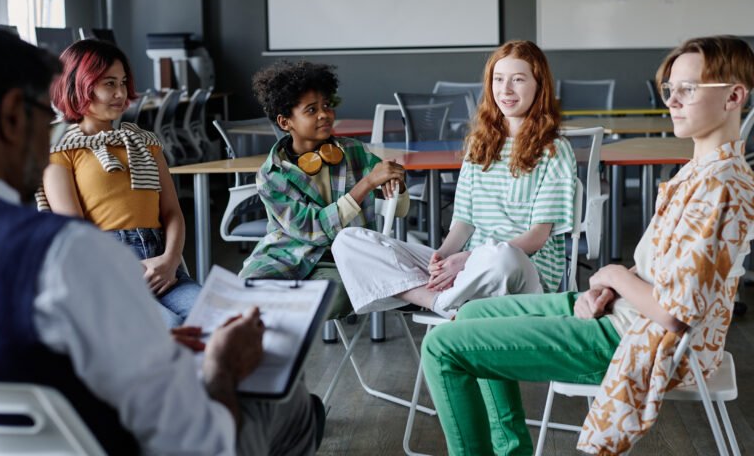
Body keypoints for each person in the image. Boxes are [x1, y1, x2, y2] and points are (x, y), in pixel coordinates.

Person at [0, 25, 321, 454]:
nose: (49, 132)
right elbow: (196, 443)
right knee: (288, 393)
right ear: (14, 115)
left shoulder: (137, 151)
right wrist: (218, 369)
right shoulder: (64, 251)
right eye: (41, 114)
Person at [421, 35, 754, 455]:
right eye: (669, 90)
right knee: (470, 311)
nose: (672, 100)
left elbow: (674, 314)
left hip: (635, 338)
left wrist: (612, 274)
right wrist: (606, 288)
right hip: (620, 312)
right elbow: (664, 274)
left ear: (733, 97)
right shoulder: (699, 172)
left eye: (687, 89)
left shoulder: (719, 186)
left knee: (440, 346)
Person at [332, 40, 577, 318]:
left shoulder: (554, 150)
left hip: (517, 268)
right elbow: (463, 222)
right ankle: (438, 301)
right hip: (469, 267)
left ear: (538, 86)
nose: (505, 90)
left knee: (501, 256)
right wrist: (441, 259)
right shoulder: (479, 143)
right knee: (347, 240)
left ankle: (443, 299)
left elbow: (537, 237)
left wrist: (466, 260)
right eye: (498, 79)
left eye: (518, 80)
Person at [40, 39, 200, 327]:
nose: (120, 93)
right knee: (170, 330)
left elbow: (173, 213)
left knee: (213, 319)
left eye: (123, 83)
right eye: (109, 84)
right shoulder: (60, 148)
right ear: (80, 85)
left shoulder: (144, 142)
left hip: (161, 261)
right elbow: (75, 232)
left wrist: (170, 260)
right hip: (103, 270)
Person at [239, 60, 409, 317]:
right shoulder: (271, 175)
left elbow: (400, 210)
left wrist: (397, 185)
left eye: (327, 106)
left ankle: (286, 325)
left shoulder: (355, 152)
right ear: (286, 122)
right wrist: (366, 184)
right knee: (244, 296)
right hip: (285, 254)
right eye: (311, 110)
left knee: (331, 300)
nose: (324, 114)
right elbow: (313, 230)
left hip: (344, 258)